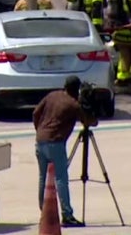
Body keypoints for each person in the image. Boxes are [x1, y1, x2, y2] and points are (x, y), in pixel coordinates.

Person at [33, 76, 98, 227]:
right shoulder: (73, 104)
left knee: (44, 177)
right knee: (61, 179)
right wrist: (94, 114)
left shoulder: (52, 95)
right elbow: (88, 121)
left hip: (40, 140)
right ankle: (67, 215)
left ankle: (45, 211)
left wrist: (40, 129)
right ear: (76, 90)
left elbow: (36, 112)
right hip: (55, 143)